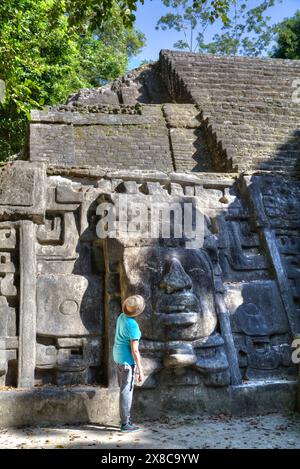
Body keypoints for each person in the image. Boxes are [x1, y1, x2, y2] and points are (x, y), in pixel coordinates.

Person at [113, 294, 145, 432]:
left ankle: (126, 419)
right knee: (127, 391)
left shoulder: (121, 317)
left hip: (118, 357)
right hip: (127, 362)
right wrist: (140, 370)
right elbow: (135, 350)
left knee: (123, 389)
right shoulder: (133, 326)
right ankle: (125, 424)